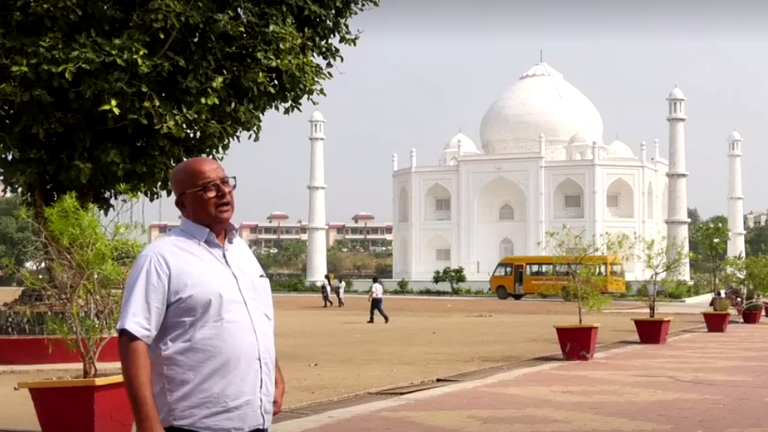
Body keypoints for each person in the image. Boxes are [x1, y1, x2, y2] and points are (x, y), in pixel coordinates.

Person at [117, 157, 284, 432]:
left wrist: (274, 373)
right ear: (183, 205)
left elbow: (256, 320)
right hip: (193, 425)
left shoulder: (241, 251)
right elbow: (133, 338)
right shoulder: (161, 258)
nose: (223, 192)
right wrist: (148, 422)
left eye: (225, 182)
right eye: (208, 187)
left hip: (254, 421)